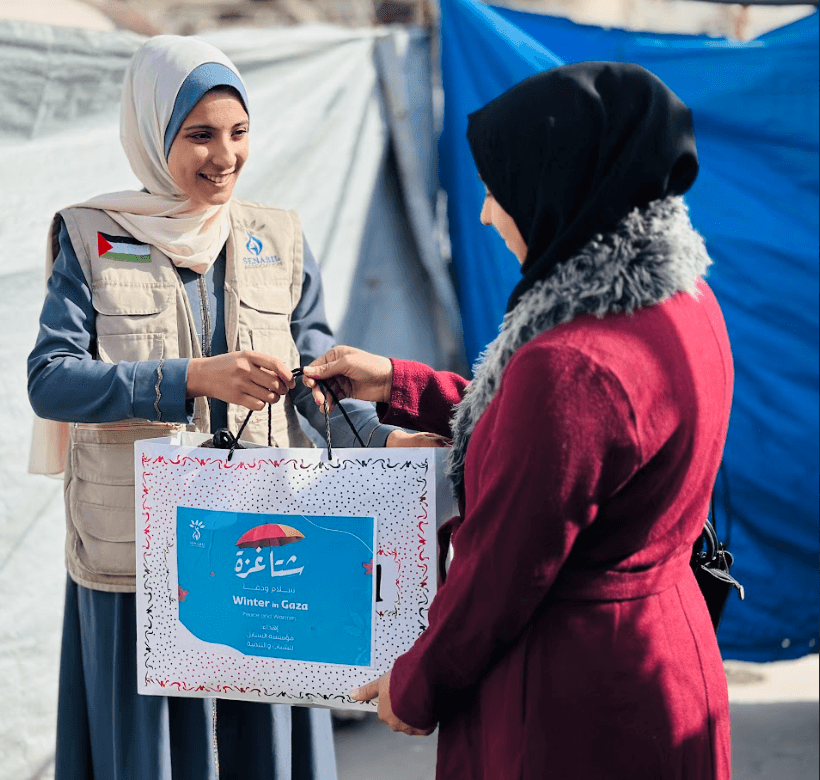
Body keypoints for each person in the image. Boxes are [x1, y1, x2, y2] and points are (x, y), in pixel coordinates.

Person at [304, 62, 734, 779]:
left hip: (576, 695)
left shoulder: (570, 362)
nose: (484, 215)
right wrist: (400, 382)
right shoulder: (681, 304)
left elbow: (503, 566)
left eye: (496, 191)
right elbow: (564, 443)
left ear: (554, 187)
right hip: (667, 651)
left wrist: (416, 684)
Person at [26, 35, 424, 780]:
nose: (225, 157)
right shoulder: (95, 237)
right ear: (151, 133)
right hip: (139, 545)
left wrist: (378, 439)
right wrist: (190, 379)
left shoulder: (278, 239)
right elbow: (51, 380)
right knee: (151, 753)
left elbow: (315, 376)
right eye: (199, 135)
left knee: (262, 741)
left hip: (260, 537)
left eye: (239, 133)